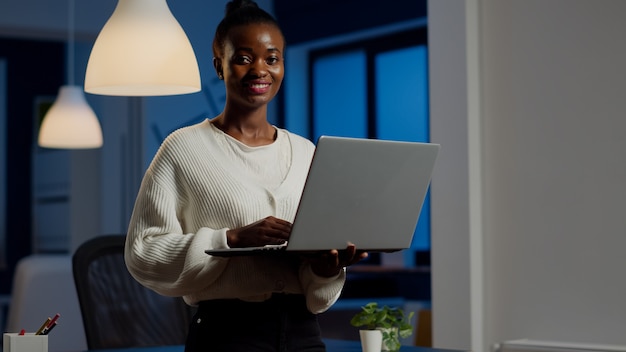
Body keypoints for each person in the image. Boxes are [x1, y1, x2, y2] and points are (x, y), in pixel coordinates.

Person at [124, 1, 369, 351]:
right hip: (226, 334)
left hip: (304, 334)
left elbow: (316, 286)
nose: (260, 70)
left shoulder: (306, 154)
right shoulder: (182, 149)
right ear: (219, 67)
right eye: (243, 58)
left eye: (272, 58)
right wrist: (232, 239)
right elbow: (142, 252)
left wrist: (327, 267)